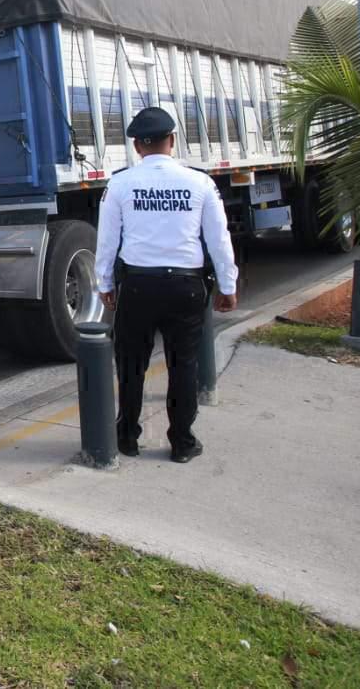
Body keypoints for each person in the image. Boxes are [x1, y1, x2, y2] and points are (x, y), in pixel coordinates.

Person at [95, 106, 239, 463]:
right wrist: (227, 285)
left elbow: (107, 241)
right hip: (186, 289)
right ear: (172, 140)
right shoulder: (200, 182)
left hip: (139, 286)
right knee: (183, 365)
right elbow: (218, 240)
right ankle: (182, 443)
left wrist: (104, 283)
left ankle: (127, 436)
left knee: (131, 365)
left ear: (136, 146)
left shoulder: (120, 184)